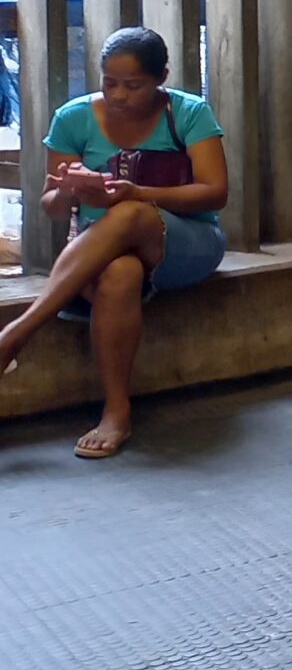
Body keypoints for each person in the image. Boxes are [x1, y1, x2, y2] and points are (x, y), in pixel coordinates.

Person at [0, 28, 228, 458]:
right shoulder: (73, 118)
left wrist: (135, 193)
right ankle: (116, 413)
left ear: (161, 76)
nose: (119, 94)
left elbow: (215, 193)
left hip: (186, 243)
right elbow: (51, 207)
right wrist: (71, 191)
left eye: (133, 85)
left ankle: (16, 334)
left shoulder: (190, 112)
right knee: (120, 273)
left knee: (129, 213)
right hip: (101, 254)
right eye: (109, 82)